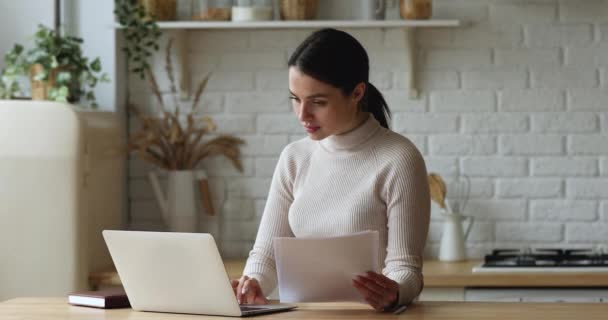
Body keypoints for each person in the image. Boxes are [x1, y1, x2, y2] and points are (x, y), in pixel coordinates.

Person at [230, 28, 430, 312]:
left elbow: (406, 268)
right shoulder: (294, 158)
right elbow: (267, 254)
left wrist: (395, 291)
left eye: (318, 102)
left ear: (357, 93)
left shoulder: (399, 159)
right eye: (295, 99)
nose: (302, 115)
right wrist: (253, 281)